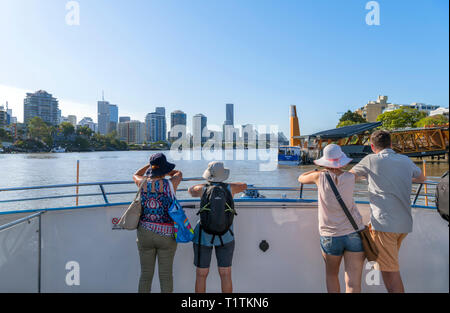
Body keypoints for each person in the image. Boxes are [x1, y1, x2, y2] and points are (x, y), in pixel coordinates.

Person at [350, 130, 425, 293]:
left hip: (385, 226)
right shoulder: (405, 160)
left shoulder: (370, 160)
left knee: (391, 276)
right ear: (391, 144)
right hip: (404, 225)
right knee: (388, 268)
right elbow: (421, 178)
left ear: (372, 146)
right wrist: (402, 178)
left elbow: (349, 177)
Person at [298, 144, 366, 293]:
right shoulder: (350, 177)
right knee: (353, 283)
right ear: (342, 160)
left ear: (325, 162)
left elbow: (300, 178)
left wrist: (318, 170)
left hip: (330, 235)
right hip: (354, 232)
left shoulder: (318, 176)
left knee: (331, 275)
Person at [188, 161, 247, 293]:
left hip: (203, 235)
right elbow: (244, 185)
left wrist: (205, 185)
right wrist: (227, 184)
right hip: (226, 235)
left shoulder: (202, 189)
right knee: (225, 274)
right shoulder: (229, 189)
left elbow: (190, 190)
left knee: (201, 275)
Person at [132, 152, 183, 293]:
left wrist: (150, 166)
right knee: (166, 276)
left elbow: (135, 174)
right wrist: (166, 169)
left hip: (145, 232)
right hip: (166, 234)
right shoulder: (170, 184)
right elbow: (179, 173)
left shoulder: (142, 183)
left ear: (151, 169)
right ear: (164, 170)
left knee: (145, 276)